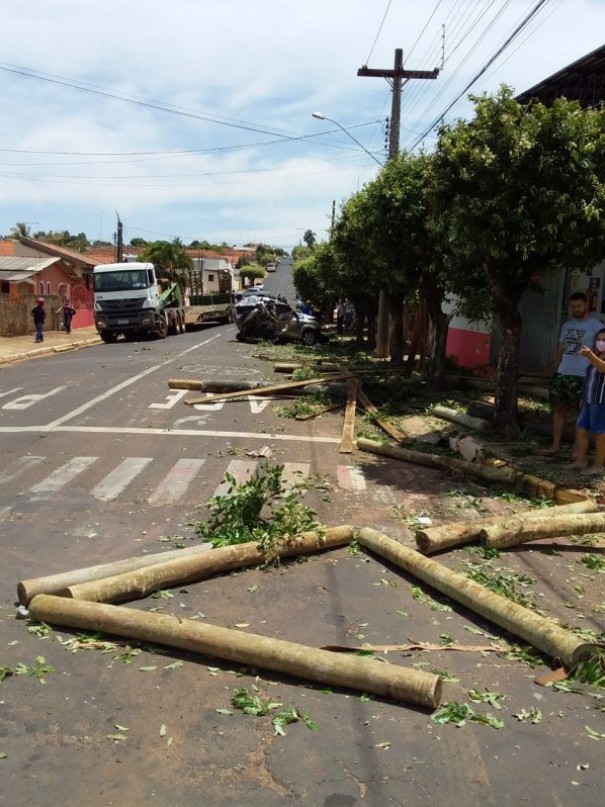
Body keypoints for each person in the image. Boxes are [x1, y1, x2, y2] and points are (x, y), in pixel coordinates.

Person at [547, 292, 603, 455]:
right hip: (563, 373)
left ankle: (577, 450)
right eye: (573, 307)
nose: (576, 309)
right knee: (559, 409)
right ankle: (556, 445)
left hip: (584, 375)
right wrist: (554, 368)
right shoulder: (566, 325)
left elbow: (600, 351)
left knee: (580, 413)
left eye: (579, 306)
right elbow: (561, 348)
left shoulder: (596, 326)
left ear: (586, 305)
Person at [569, 328, 605, 474]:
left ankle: (598, 466)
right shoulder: (597, 355)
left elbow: (602, 368)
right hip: (589, 399)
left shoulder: (595, 358)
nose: (601, 342)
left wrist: (589, 355)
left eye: (604, 340)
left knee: (599, 433)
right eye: (599, 339)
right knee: (581, 427)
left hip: (601, 400)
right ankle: (581, 461)